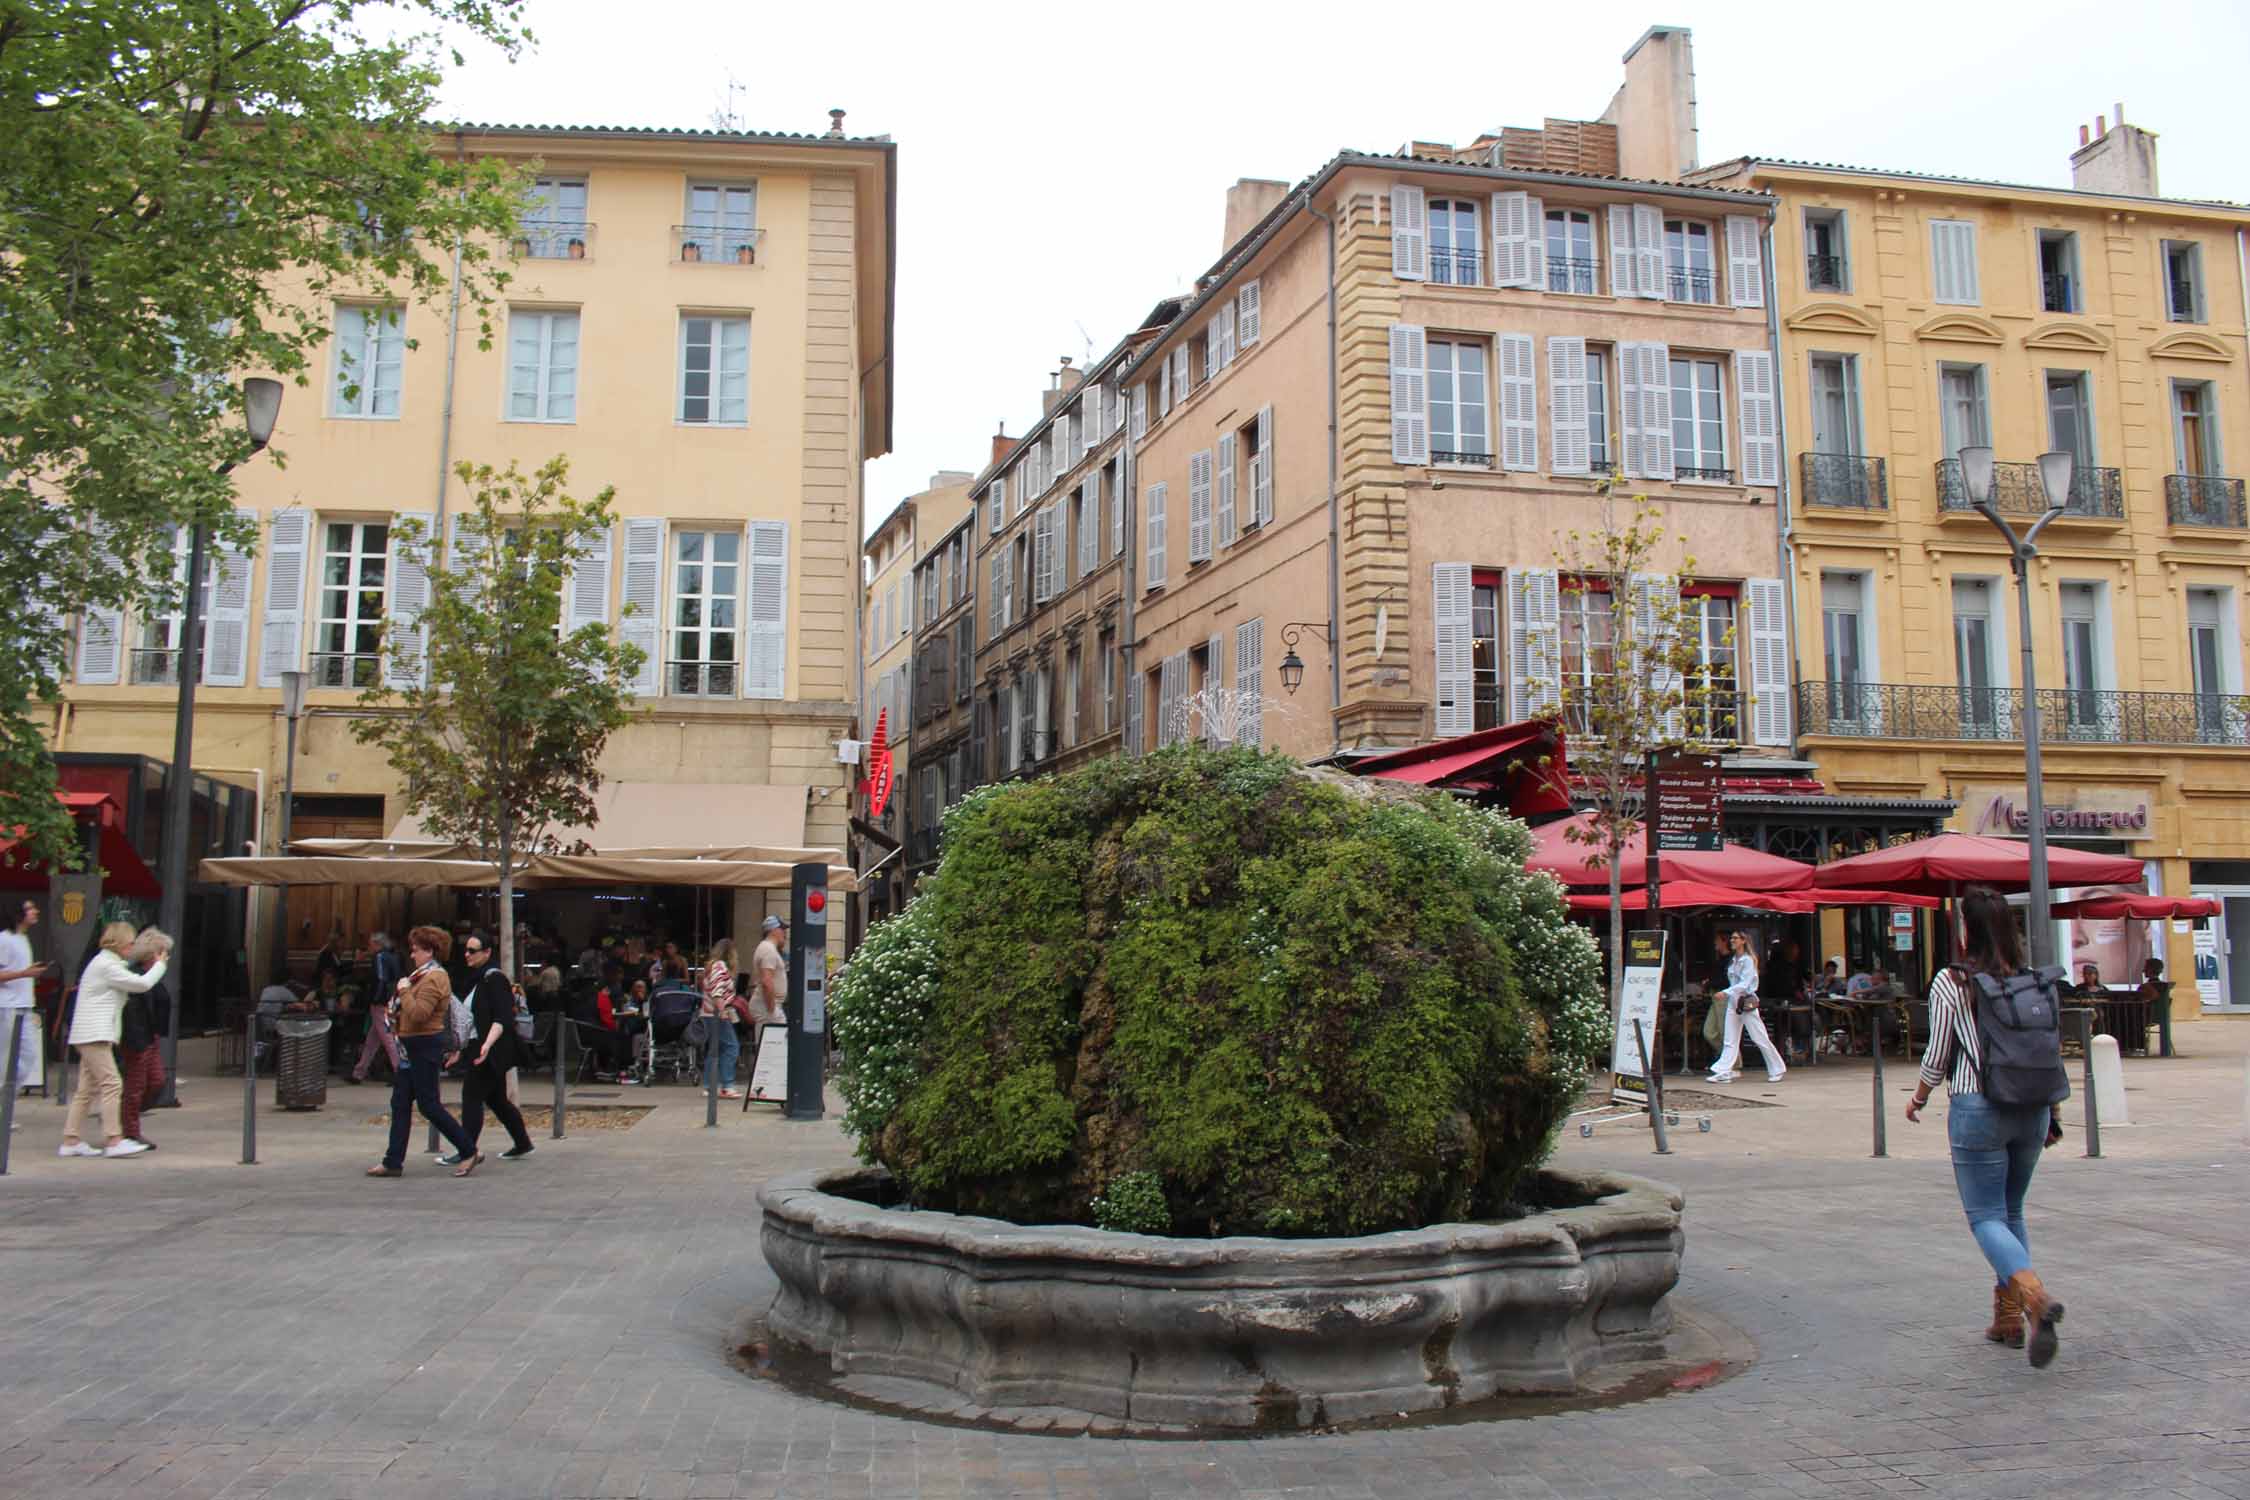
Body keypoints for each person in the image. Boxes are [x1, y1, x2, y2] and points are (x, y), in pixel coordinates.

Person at [1906, 885, 2068, 1369]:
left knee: (1985, 1217)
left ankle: (2035, 1300)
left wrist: (1918, 1097)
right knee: (2011, 1209)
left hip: (1978, 1106)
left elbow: (1937, 1055)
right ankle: (2008, 1319)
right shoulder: (2035, 981)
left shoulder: (1952, 982)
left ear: (1965, 929)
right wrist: (2053, 1115)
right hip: (2034, 1109)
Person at [368, 925, 473, 1178]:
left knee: (429, 1105)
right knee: (401, 1103)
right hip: (410, 1047)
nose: (412, 955)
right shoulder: (421, 975)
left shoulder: (435, 977)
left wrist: (403, 991)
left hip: (424, 1045)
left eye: (416, 950)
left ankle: (468, 1150)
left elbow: (419, 1014)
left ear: (430, 951)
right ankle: (393, 1161)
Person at [59, 922, 169, 1159]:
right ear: (119, 944)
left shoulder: (105, 963)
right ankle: (114, 1139)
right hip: (94, 1034)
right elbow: (142, 984)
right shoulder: (107, 965)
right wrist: (160, 965)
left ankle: (71, 1140)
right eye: (130, 943)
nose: (132, 947)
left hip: (90, 1033)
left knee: (85, 1090)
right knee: (112, 1084)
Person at [447, 930, 532, 1173]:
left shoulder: (494, 978)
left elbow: (502, 1017)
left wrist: (485, 1045)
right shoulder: (479, 978)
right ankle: (522, 1142)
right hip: (484, 1047)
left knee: (472, 1096)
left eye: (472, 951)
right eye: (466, 950)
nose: (467, 954)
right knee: (496, 1099)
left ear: (487, 952)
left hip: (491, 1049)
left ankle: (467, 1149)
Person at [1707, 928, 1786, 1085]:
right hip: (1733, 1003)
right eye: (1732, 938)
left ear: (1743, 940)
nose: (1732, 941)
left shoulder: (1748, 960)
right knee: (1730, 1039)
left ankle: (1777, 1068)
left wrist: (1726, 992)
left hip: (1745, 1003)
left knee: (1759, 1037)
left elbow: (1745, 983)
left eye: (1735, 938)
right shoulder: (1734, 960)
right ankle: (1723, 1070)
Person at [0, 899, 50, 1110]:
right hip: (8, 1006)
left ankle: (5, 1107)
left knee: (27, 1057)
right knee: (6, 1059)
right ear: (19, 913)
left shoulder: (22, 939)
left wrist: (28, 973)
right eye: (30, 908)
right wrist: (25, 973)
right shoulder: (5, 939)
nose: (35, 911)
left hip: (24, 1005)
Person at [117, 972, 171, 1149]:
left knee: (157, 1081)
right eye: (162, 952)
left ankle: (125, 1115)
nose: (165, 957)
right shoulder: (136, 975)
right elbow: (132, 1009)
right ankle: (131, 1131)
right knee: (135, 1086)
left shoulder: (155, 975)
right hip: (138, 1037)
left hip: (151, 1034)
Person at [353, 932, 402, 1083]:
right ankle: (359, 1072)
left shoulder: (380, 957)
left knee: (387, 1038)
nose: (369, 947)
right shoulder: (393, 956)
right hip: (391, 999)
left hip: (381, 1002)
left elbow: (381, 979)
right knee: (373, 1039)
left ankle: (399, 1071)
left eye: (370, 944)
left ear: (377, 944)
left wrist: (376, 999)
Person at [702, 938, 742, 1099]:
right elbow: (717, 991)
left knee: (714, 1050)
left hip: (708, 1013)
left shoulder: (712, 966)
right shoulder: (720, 966)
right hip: (717, 1014)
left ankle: (709, 1085)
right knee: (732, 1047)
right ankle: (727, 1085)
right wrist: (723, 1010)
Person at [752, 917, 787, 1027]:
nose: (785, 933)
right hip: (768, 1006)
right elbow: (767, 981)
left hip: (766, 1005)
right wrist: (772, 1010)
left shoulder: (767, 948)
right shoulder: (768, 949)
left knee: (766, 1042)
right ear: (774, 930)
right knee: (778, 1041)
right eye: (782, 929)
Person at [2139, 957, 2175, 1058]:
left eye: (2145, 968)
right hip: (2160, 1016)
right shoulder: (2164, 987)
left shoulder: (2146, 987)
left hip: (2146, 1017)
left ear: (2150, 970)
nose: (2143, 970)